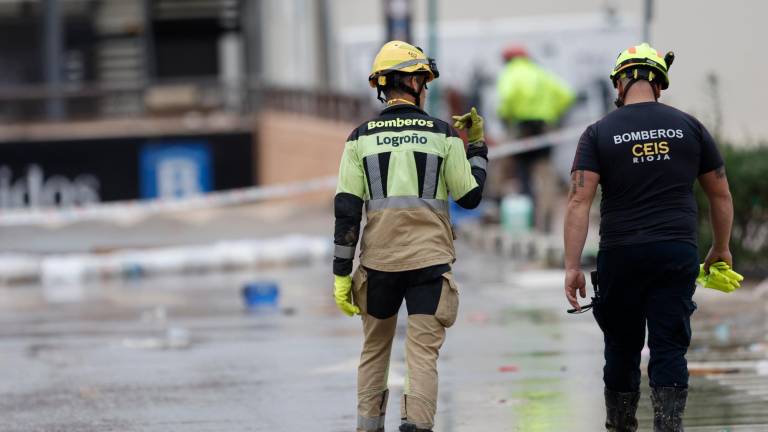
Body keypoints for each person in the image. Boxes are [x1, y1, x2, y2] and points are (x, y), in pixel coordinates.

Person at [564, 43, 734, 431]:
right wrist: (720, 248)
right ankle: (668, 425)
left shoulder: (598, 133)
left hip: (621, 253)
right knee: (669, 345)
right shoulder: (690, 127)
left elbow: (578, 201)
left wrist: (572, 266)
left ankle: (621, 425)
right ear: (659, 83)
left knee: (621, 347)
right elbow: (720, 194)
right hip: (676, 251)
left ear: (621, 82)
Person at [331, 40, 488, 432]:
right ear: (414, 81)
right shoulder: (443, 134)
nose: (428, 88)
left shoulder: (359, 138)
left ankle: (368, 426)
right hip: (429, 265)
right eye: (425, 81)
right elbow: (470, 196)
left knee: (374, 351)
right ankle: (416, 426)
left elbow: (347, 209)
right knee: (421, 354)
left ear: (384, 85)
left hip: (377, 264)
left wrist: (340, 274)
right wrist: (479, 146)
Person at [495, 45, 575, 231]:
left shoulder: (511, 73)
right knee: (545, 175)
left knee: (521, 172)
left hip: (522, 127)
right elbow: (567, 94)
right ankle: (546, 220)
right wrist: (554, 114)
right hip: (544, 127)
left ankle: (525, 219)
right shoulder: (541, 73)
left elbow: (506, 97)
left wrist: (506, 116)